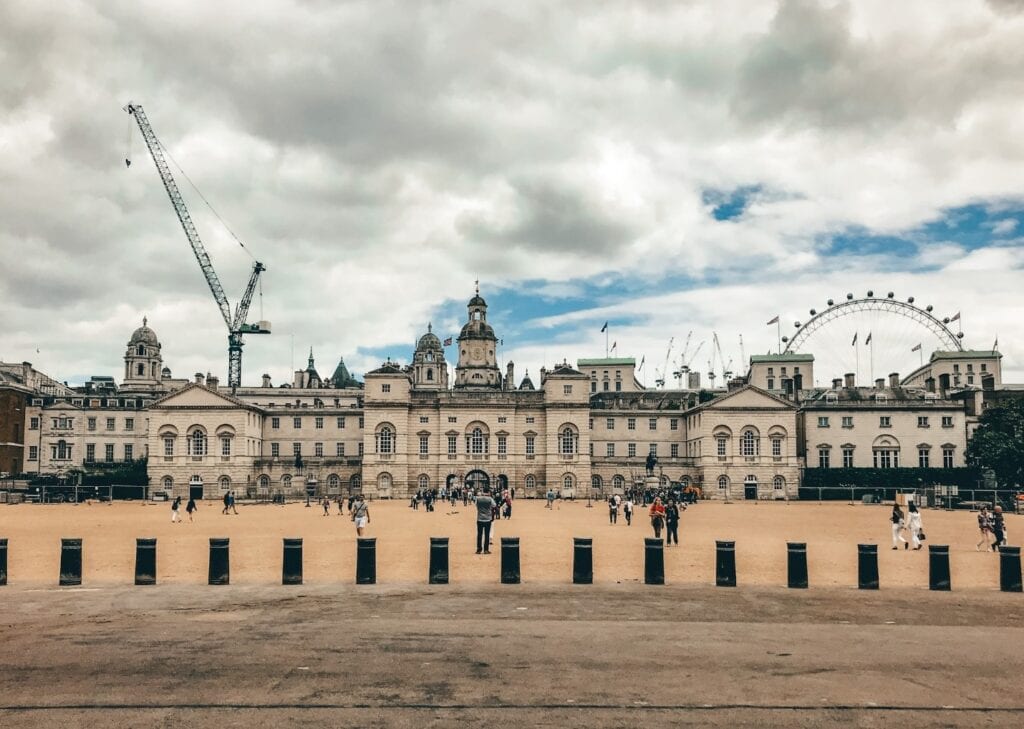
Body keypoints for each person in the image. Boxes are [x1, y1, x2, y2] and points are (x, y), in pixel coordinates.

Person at [476, 487, 496, 554]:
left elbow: (476, 505)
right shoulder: (490, 499)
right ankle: (486, 550)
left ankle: (479, 549)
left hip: (480, 518)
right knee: (487, 535)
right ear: (488, 492)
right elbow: (494, 505)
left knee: (479, 534)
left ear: (482, 491)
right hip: (488, 519)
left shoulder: (478, 498)